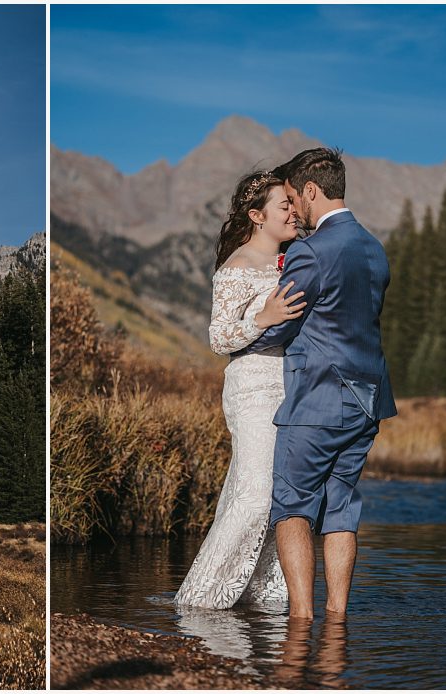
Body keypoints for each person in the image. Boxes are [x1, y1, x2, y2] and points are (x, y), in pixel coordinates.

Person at [244, 147, 396, 620]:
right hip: (369, 400)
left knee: (292, 506)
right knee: (342, 510)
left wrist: (246, 331)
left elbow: (282, 323)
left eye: (293, 197)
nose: (294, 209)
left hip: (318, 400)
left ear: (311, 190)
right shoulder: (374, 247)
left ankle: (301, 623)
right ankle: (337, 623)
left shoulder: (311, 250)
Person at [173, 170, 305, 609]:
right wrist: (261, 319)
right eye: (283, 204)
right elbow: (218, 338)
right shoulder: (238, 266)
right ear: (257, 215)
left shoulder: (294, 259)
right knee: (253, 497)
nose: (293, 210)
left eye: (293, 203)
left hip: (292, 387)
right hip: (251, 387)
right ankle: (200, 601)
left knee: (279, 500)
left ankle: (263, 601)